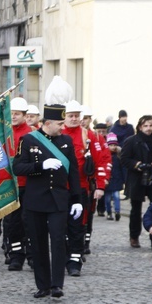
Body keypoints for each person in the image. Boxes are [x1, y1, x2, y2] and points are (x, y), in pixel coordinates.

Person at [13, 101, 82, 298]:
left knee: (59, 241)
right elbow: (18, 167)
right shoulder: (28, 140)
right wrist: (40, 166)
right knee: (38, 242)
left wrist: (77, 199)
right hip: (35, 200)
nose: (63, 127)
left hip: (59, 199)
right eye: (60, 123)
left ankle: (56, 285)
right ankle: (42, 285)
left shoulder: (66, 142)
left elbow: (74, 174)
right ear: (48, 122)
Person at [62, 102, 106, 275]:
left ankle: (74, 262)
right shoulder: (56, 134)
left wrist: (100, 186)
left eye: (76, 115)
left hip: (80, 189)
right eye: (70, 115)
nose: (74, 119)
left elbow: (101, 161)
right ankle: (62, 258)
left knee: (77, 227)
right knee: (60, 228)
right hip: (58, 190)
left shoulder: (88, 136)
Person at [120, 115, 152, 248]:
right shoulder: (132, 140)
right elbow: (124, 159)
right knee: (136, 209)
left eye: (150, 125)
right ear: (140, 127)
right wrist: (137, 164)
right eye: (145, 126)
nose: (148, 129)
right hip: (137, 178)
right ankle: (134, 236)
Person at [3, 96, 32, 271]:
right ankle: (15, 256)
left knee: (29, 222)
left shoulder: (32, 134)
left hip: (28, 185)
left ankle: (32, 256)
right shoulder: (4, 132)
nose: (13, 116)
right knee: (13, 223)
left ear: (24, 115)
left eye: (17, 114)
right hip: (9, 184)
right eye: (11, 113)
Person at [104, 133, 124, 221]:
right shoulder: (104, 156)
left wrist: (123, 179)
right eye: (111, 145)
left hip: (117, 179)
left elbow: (122, 168)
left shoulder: (119, 156)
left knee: (116, 196)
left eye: (114, 145)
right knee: (107, 198)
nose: (113, 147)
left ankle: (117, 211)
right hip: (107, 180)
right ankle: (109, 212)